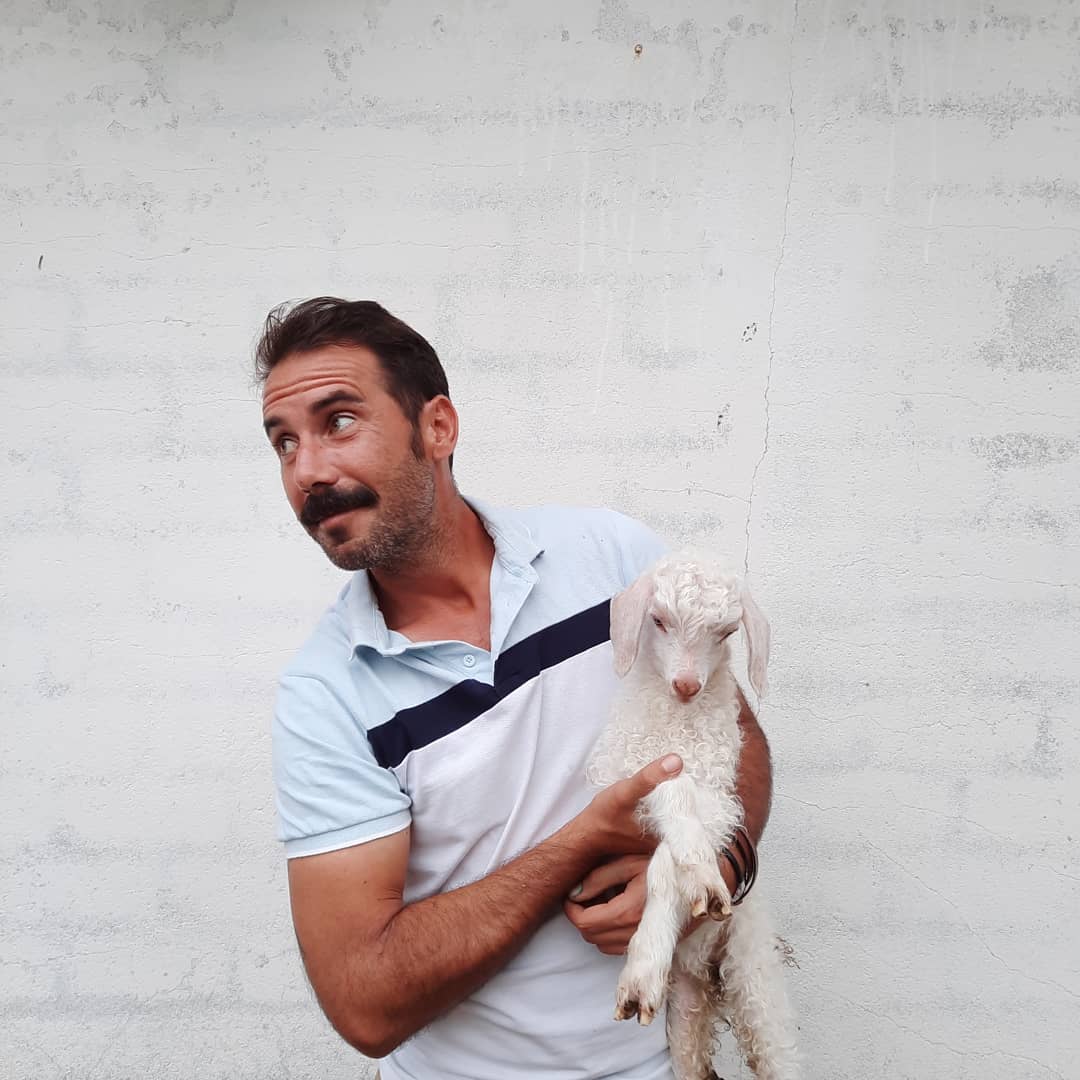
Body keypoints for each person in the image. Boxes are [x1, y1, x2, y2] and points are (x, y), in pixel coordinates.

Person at [258, 297, 774, 1080]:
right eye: (284, 442)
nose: (308, 472)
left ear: (437, 427)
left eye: (339, 421)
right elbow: (365, 1003)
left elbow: (733, 738)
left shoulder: (610, 557)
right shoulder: (323, 697)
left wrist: (718, 866)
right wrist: (582, 842)